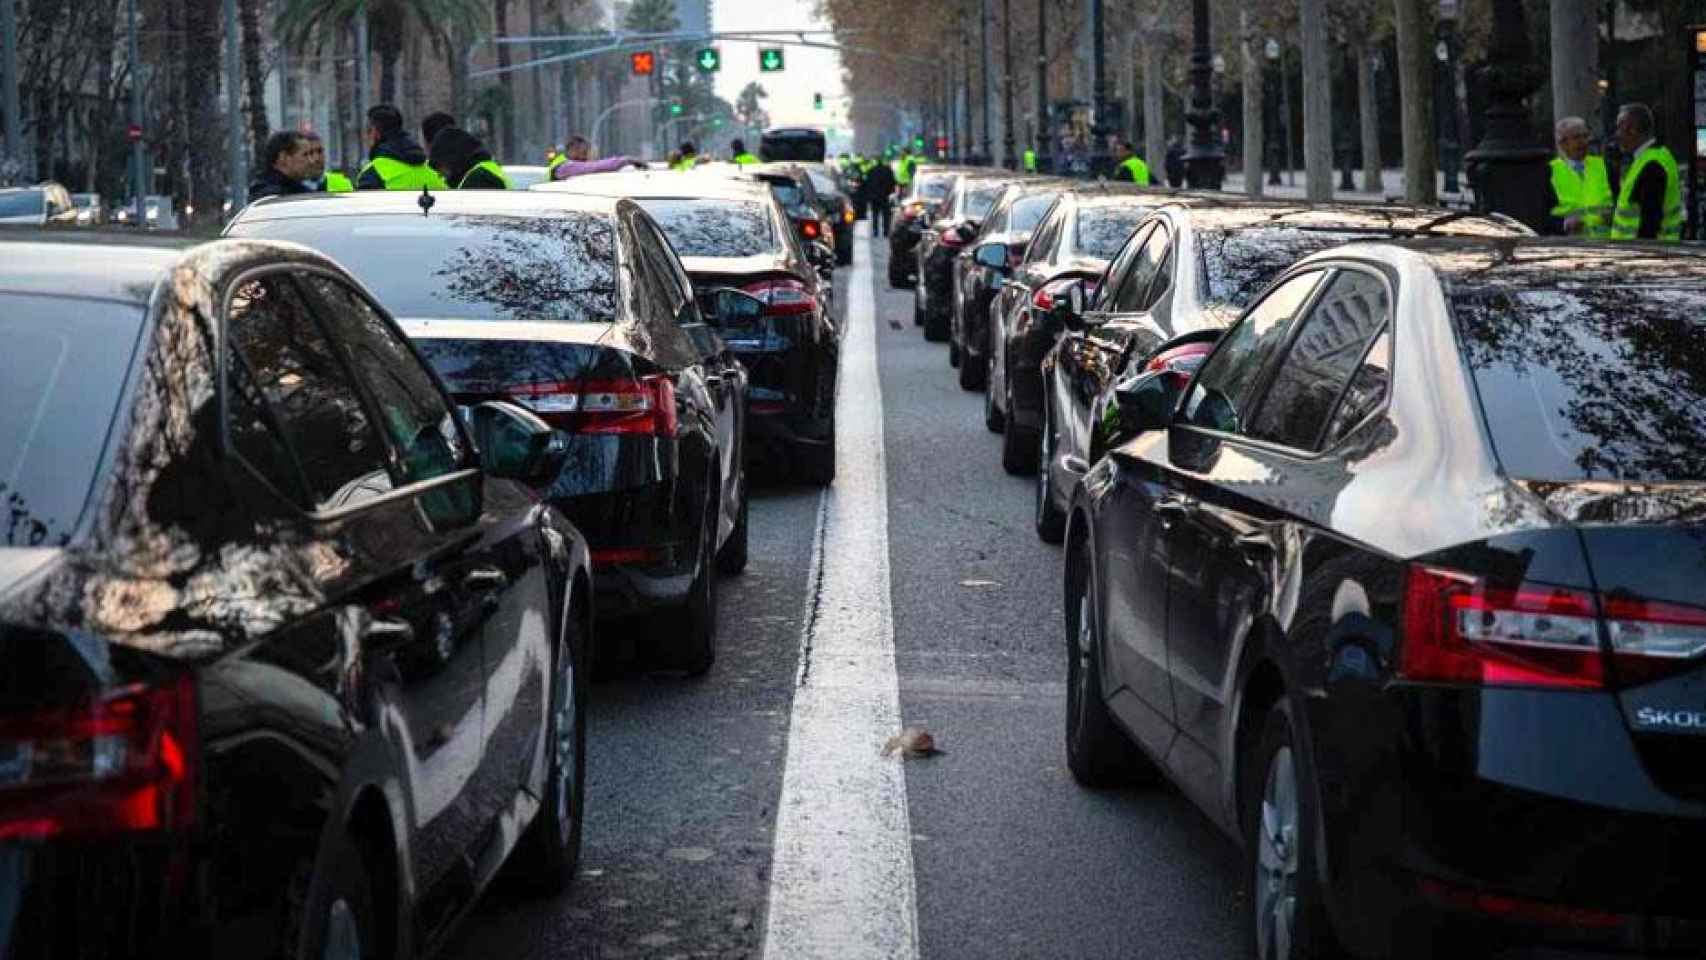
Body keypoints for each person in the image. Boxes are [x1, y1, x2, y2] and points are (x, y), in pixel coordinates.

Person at [1610, 102, 1682, 243]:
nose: (1617, 134)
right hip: (1653, 251)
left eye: (1619, 127)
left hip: (1644, 253)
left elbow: (1649, 222)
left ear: (1632, 130)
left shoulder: (1651, 165)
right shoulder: (1659, 155)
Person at [1548, 116, 1613, 238]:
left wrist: (1613, 215)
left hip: (1606, 244)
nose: (1583, 141)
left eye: (1585, 136)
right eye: (1577, 137)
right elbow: (1543, 214)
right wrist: (1565, 224)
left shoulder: (1605, 166)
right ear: (1563, 144)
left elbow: (1622, 202)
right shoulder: (1550, 172)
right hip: (1572, 246)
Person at [356, 104, 446, 190]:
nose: (365, 137)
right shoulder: (431, 171)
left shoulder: (372, 174)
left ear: (375, 132)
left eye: (368, 131)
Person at [429, 127, 511, 189]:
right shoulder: (483, 170)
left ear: (452, 160)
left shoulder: (479, 178)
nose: (440, 174)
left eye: (440, 166)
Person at [249, 131, 320, 201]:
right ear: (283, 157)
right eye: (305, 155)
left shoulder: (297, 190)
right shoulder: (268, 197)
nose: (311, 161)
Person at [550, 135, 643, 179]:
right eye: (583, 152)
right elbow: (595, 167)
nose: (585, 156)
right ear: (571, 150)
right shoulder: (565, 167)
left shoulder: (563, 165)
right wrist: (624, 160)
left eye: (586, 152)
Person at [864, 155, 897, 237]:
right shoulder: (888, 170)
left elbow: (867, 184)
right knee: (886, 215)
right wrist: (890, 192)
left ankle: (875, 231)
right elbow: (892, 183)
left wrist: (868, 196)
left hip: (874, 197)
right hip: (885, 196)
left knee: (875, 214)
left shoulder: (871, 171)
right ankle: (886, 231)